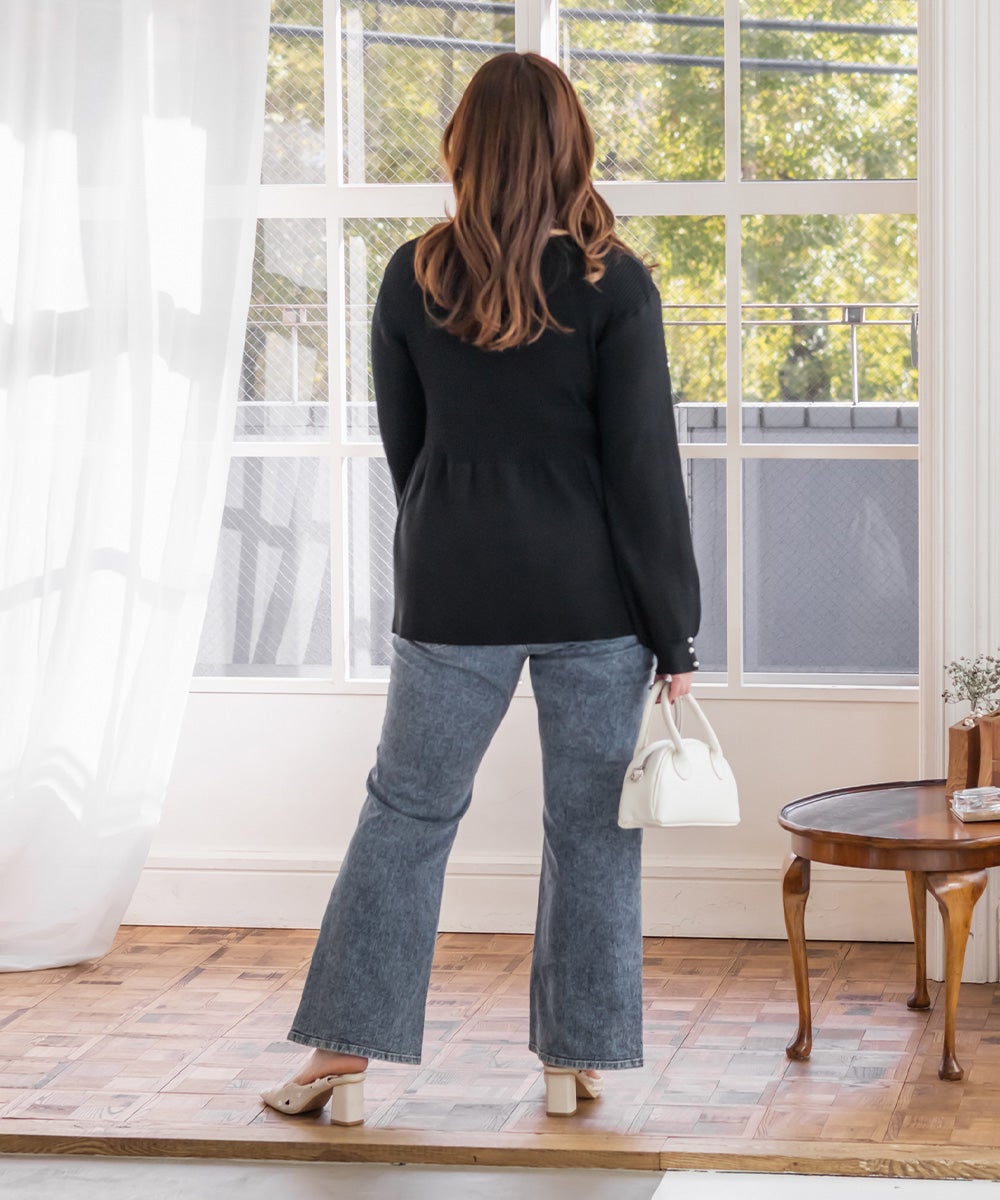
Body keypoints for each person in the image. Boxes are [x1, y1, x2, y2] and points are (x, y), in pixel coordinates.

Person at [260, 50, 700, 1125]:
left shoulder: (413, 275)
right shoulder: (612, 282)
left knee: (404, 816)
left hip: (452, 589)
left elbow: (406, 448)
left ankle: (340, 1057)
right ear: (569, 148)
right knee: (592, 829)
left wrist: (457, 524)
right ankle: (575, 1061)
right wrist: (674, 635)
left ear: (463, 146)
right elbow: (644, 471)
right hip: (593, 602)